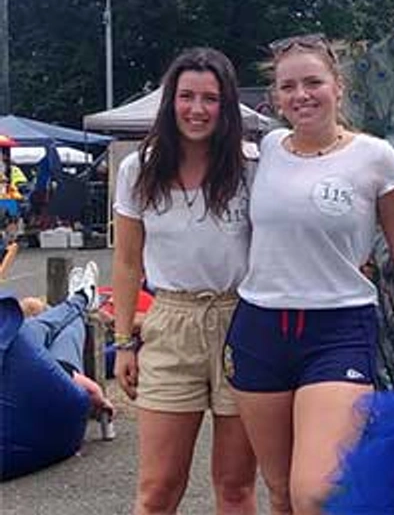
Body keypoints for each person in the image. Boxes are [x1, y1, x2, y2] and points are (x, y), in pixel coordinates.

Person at [225, 34, 394, 514]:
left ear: (338, 87)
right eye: (288, 87)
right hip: (259, 328)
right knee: (279, 489)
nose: (301, 95)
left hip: (338, 329)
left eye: (313, 82)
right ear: (276, 98)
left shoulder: (376, 157)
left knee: (316, 491)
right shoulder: (269, 148)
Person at [111, 47, 258, 515]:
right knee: (158, 489)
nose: (197, 109)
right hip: (171, 324)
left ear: (227, 106)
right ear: (170, 100)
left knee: (235, 487)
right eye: (187, 96)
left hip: (242, 323)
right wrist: (123, 342)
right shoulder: (140, 169)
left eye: (210, 99)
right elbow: (128, 261)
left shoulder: (250, 166)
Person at [17, 261, 114, 419]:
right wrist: (100, 398)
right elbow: (90, 389)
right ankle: (81, 298)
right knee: (61, 329)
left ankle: (79, 300)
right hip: (56, 420)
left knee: (37, 323)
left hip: (33, 413)